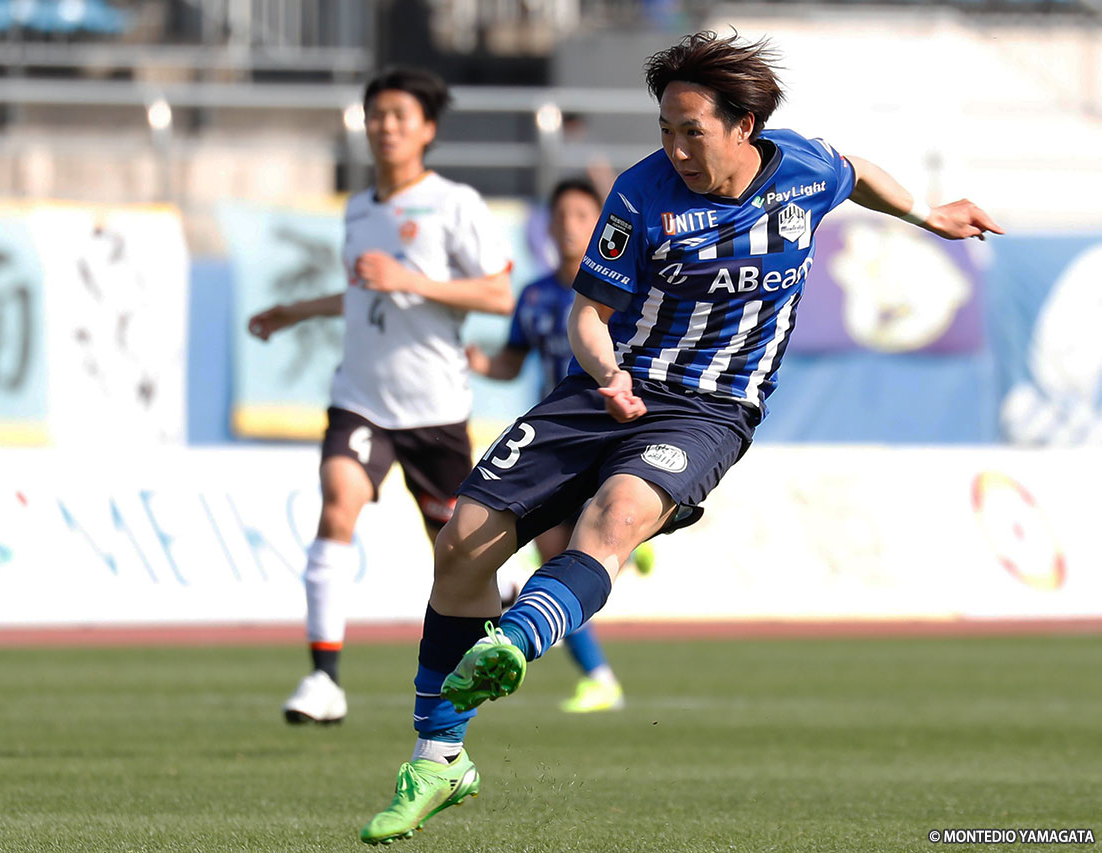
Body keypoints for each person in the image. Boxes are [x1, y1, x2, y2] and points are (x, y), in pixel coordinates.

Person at [359, 31, 1002, 844]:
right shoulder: (641, 193)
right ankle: (439, 760)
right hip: (607, 389)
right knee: (460, 545)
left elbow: (859, 170)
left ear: (745, 126)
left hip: (711, 409)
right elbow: (587, 314)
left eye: (691, 130)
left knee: (616, 517)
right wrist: (606, 373)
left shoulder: (803, 169)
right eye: (665, 129)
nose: (676, 148)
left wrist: (925, 214)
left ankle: (515, 642)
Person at [247, 66, 515, 726]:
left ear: (427, 129)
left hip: (435, 407)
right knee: (338, 503)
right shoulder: (359, 208)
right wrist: (297, 311)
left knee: (459, 555)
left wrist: (411, 279)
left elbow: (497, 294)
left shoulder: (454, 203)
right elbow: (366, 292)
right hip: (361, 397)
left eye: (399, 115)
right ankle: (323, 679)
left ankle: (506, 598)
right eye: (376, 115)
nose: (385, 126)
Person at [469, 177, 632, 714]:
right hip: (559, 441)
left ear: (601, 223)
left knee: (596, 536)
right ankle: (599, 677)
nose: (568, 227)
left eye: (581, 215)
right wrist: (477, 362)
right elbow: (511, 362)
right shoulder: (536, 296)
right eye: (560, 217)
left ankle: (639, 542)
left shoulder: (626, 290)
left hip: (616, 433)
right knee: (556, 559)